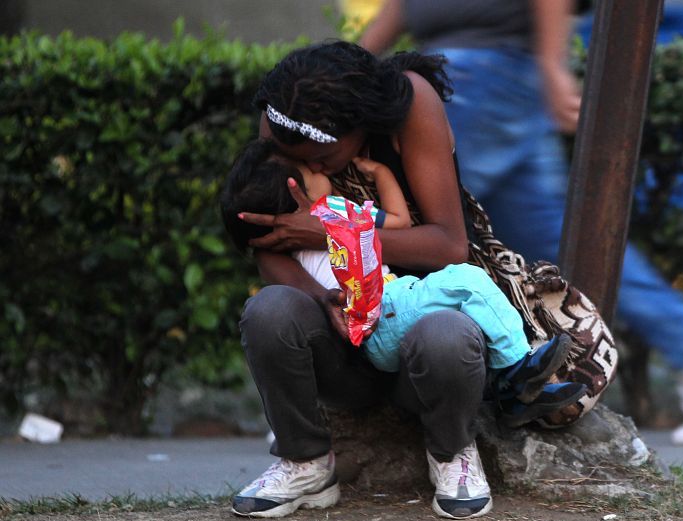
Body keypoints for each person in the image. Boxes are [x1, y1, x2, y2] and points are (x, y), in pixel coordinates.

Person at [359, 0, 683, 446]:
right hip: (484, 79)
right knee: (550, 235)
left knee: (422, 228)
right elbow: (395, 12)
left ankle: (400, 387)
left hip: (478, 79)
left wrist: (552, 63)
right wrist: (343, 73)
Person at [226, 41, 533, 521]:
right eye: (298, 159)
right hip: (343, 339)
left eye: (322, 157)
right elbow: (269, 239)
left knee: (447, 335)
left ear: (360, 125)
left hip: (421, 329)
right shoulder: (282, 120)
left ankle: (451, 454)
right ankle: (305, 462)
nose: (312, 168)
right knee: (269, 310)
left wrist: (333, 234)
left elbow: (448, 244)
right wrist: (324, 298)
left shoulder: (412, 106)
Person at [220, 139, 586, 429]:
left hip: (389, 310)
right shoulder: (330, 212)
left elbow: (397, 224)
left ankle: (515, 384)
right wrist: (380, 174)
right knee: (468, 281)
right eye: (306, 168)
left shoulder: (315, 228)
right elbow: (399, 221)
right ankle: (518, 371)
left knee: (464, 299)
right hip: (385, 315)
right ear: (296, 193)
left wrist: (380, 173)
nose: (317, 165)